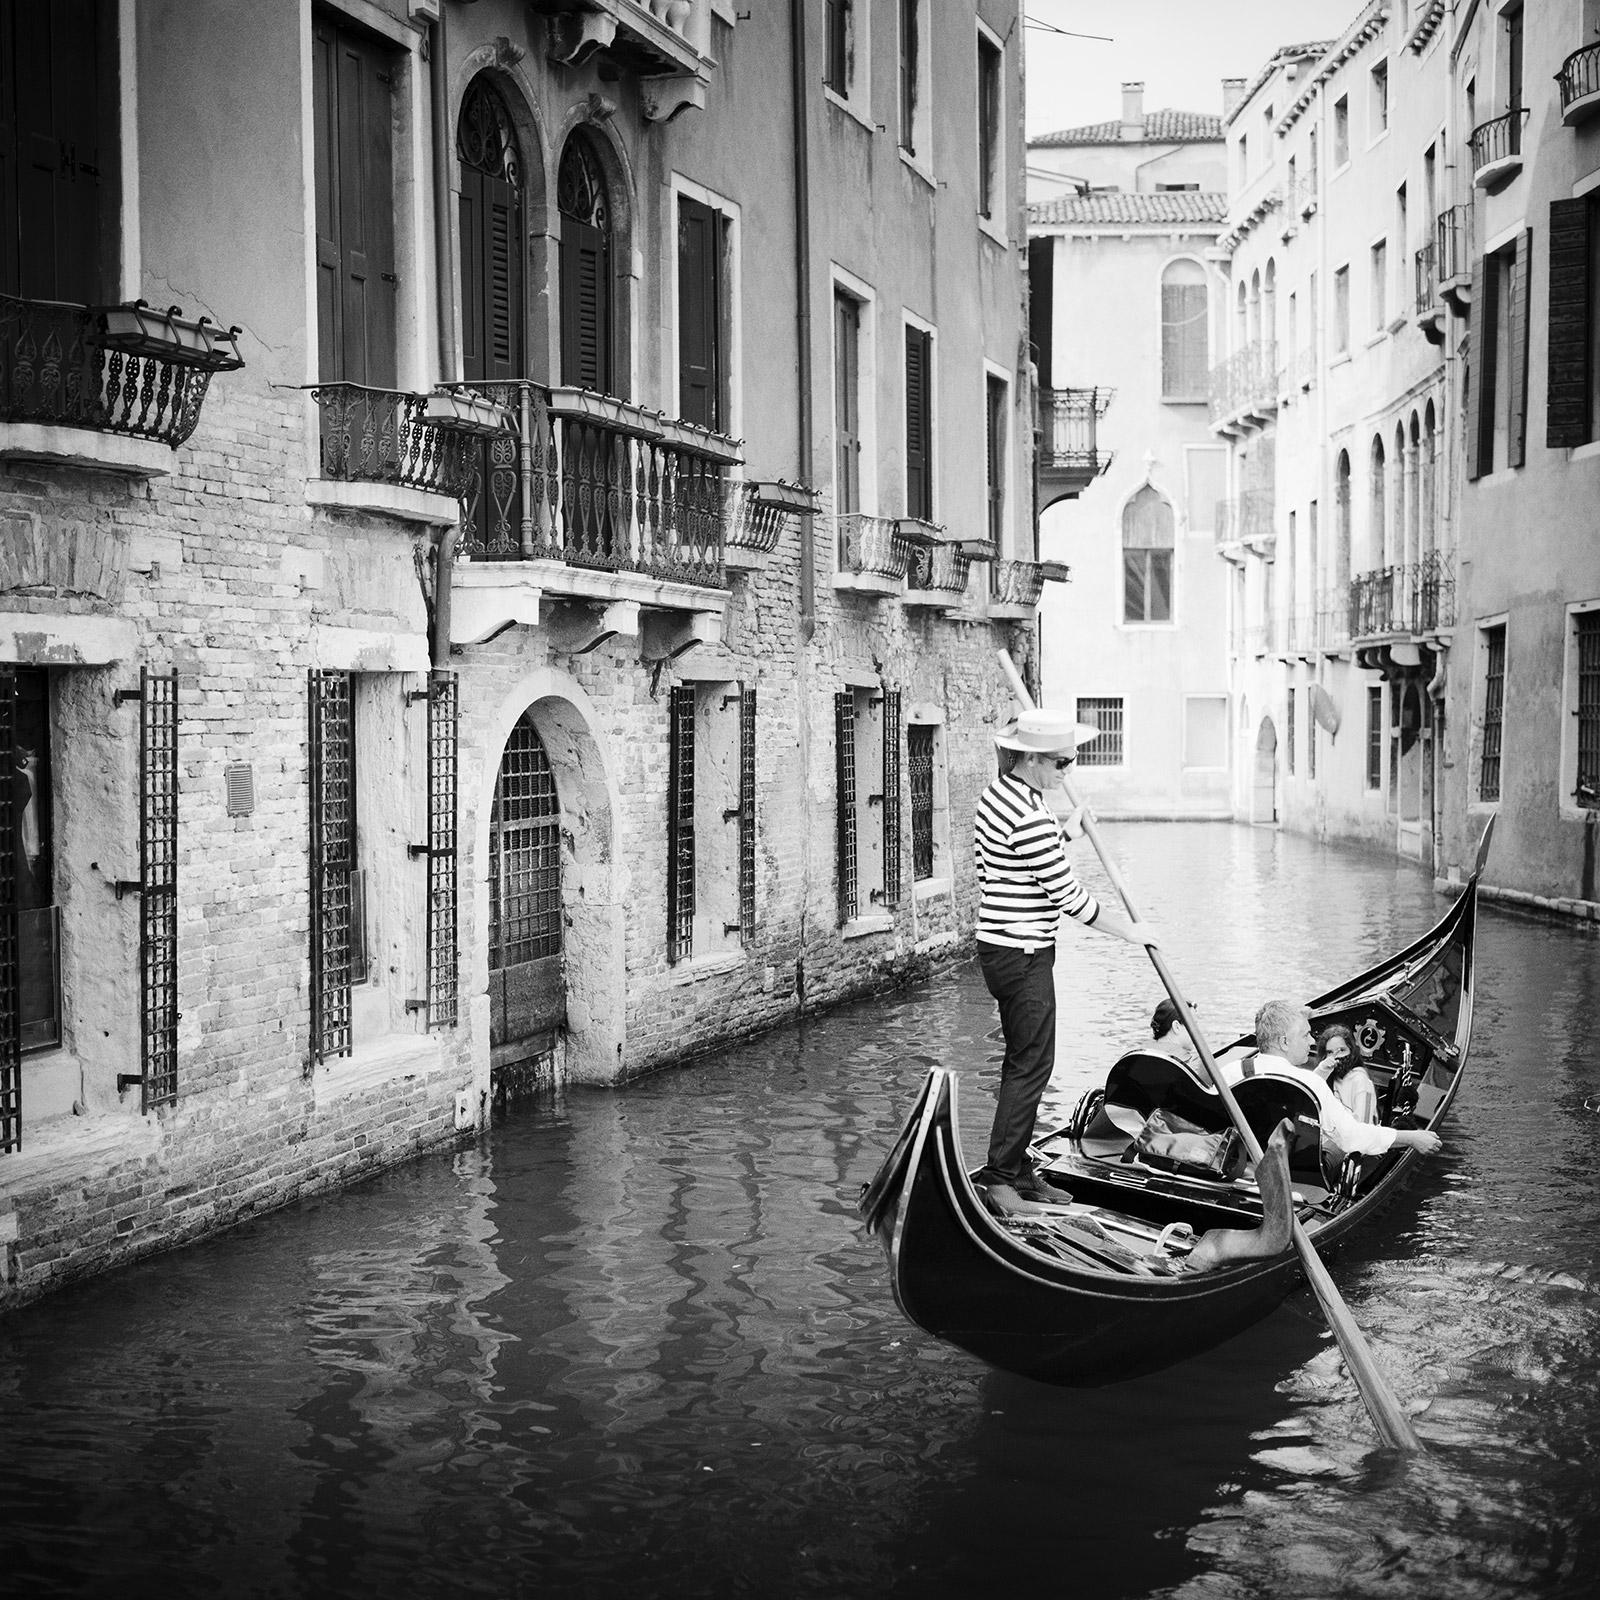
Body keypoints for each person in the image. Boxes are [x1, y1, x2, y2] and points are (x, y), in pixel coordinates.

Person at [973, 707, 1158, 1203]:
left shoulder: (1001, 796)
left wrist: (1070, 833)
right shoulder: (1031, 813)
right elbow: (1069, 898)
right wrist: (1132, 932)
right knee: (1032, 1062)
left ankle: (1013, 1166)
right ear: (1031, 759)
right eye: (1062, 763)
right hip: (1024, 950)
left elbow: (1019, 856)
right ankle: (1002, 1176)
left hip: (1000, 947)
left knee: (1024, 1058)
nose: (1067, 771)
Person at [1233, 1000, 1442, 1169]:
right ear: (1284, 1042)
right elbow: (1352, 1137)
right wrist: (1412, 1137)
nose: (1312, 1042)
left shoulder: (1232, 1071)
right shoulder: (1309, 1083)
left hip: (1243, 1162)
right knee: (1340, 1136)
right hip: (1300, 1170)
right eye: (1305, 1035)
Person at [1312, 1021, 1379, 1124]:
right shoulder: (1329, 1074)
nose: (1336, 1056)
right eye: (1330, 1052)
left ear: (1351, 1050)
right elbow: (1308, 1092)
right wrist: (1322, 1070)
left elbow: (1363, 1124)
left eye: (1341, 1050)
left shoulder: (1360, 1080)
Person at [1147, 997, 1197, 1063]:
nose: (1198, 1032)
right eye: (1194, 1025)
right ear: (1176, 1027)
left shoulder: (1139, 1054)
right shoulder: (1184, 1059)